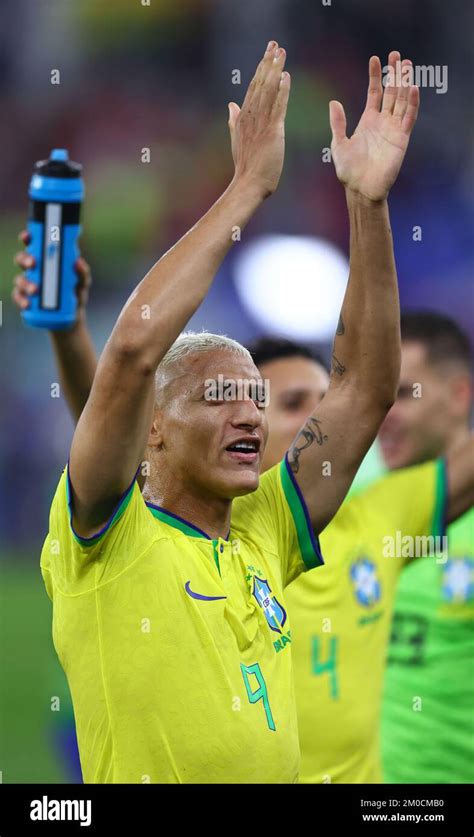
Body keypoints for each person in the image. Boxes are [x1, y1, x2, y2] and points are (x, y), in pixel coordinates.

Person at [17, 45, 421, 783]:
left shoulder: (263, 530)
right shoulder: (107, 535)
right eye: (218, 395)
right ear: (153, 430)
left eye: (257, 400)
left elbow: (364, 387)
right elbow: (135, 349)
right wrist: (245, 190)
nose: (251, 416)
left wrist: (367, 203)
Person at [250, 334, 473, 783]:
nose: (323, 422)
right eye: (296, 404)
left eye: (328, 405)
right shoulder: (210, 531)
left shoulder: (376, 511)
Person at [380, 313, 473, 784]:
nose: (381, 414)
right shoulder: (339, 503)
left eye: (401, 394)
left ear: (459, 395)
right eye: (377, 394)